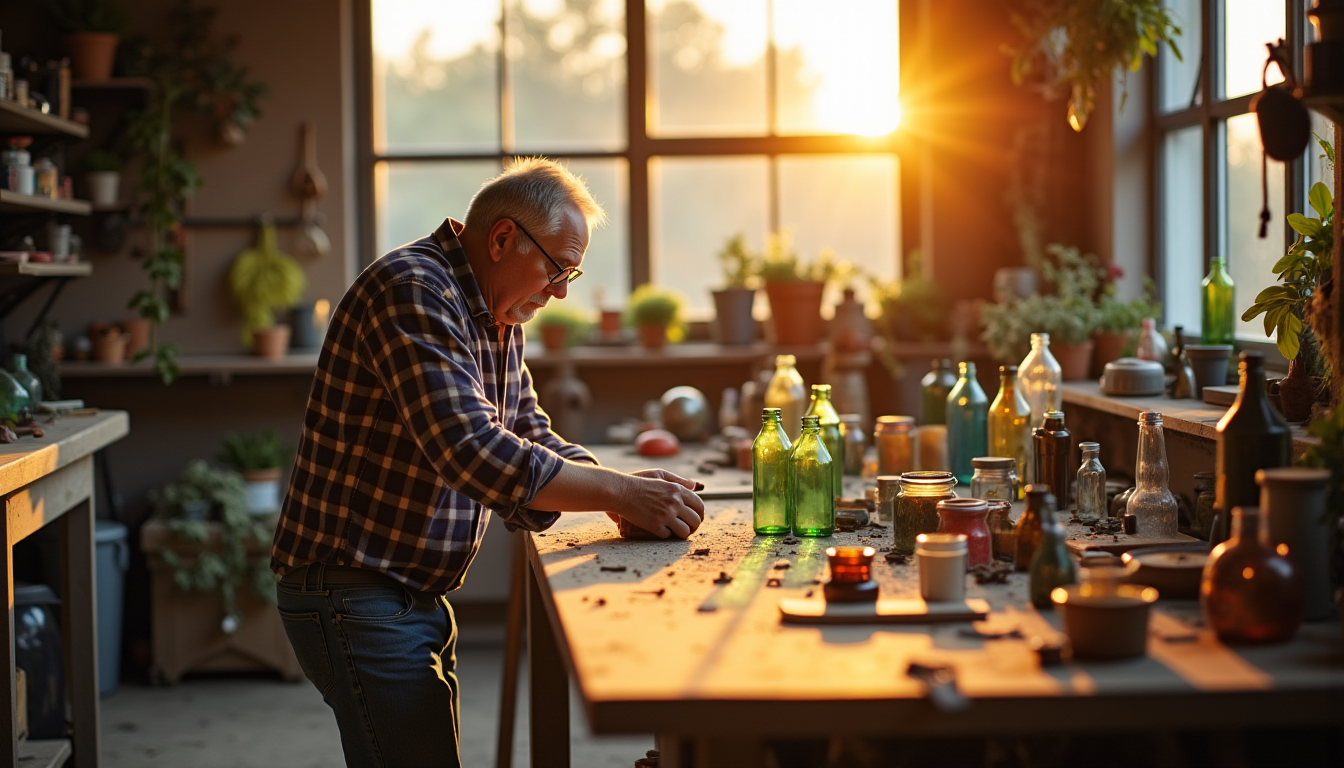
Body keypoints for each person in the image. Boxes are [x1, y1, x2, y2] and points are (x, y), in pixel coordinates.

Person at [270, 158, 704, 767]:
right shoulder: (415, 292)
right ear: (503, 239)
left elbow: (526, 428)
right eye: (557, 269)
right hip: (355, 590)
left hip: (407, 589)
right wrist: (620, 494)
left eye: (570, 275)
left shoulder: (494, 312)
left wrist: (620, 491)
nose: (560, 292)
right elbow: (472, 451)